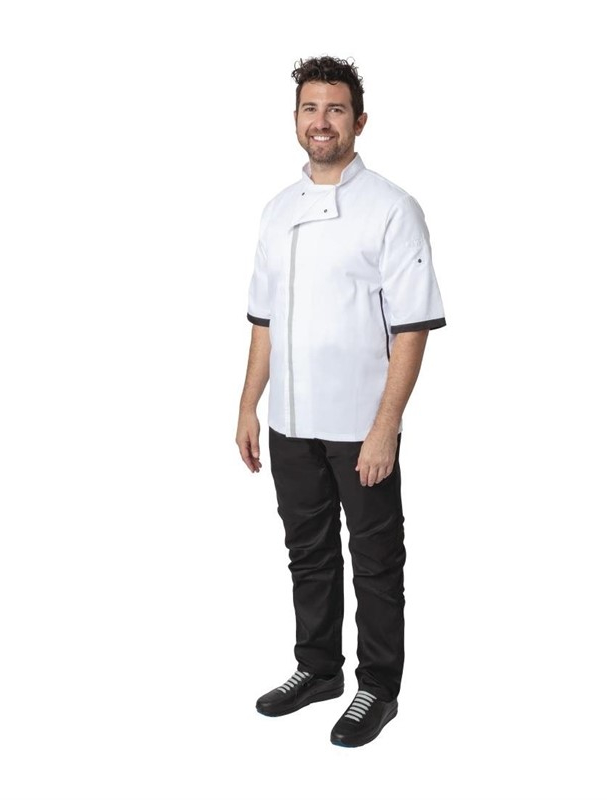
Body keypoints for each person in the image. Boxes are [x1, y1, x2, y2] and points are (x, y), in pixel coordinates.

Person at [235, 55, 445, 748]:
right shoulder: (276, 210)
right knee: (308, 552)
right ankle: (318, 669)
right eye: (310, 108)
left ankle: (377, 686)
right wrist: (248, 405)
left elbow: (411, 328)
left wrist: (387, 427)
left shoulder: (392, 208)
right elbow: (264, 320)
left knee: (376, 560)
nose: (320, 121)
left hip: (360, 423)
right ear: (296, 118)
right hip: (290, 421)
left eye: (334, 109)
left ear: (359, 120)